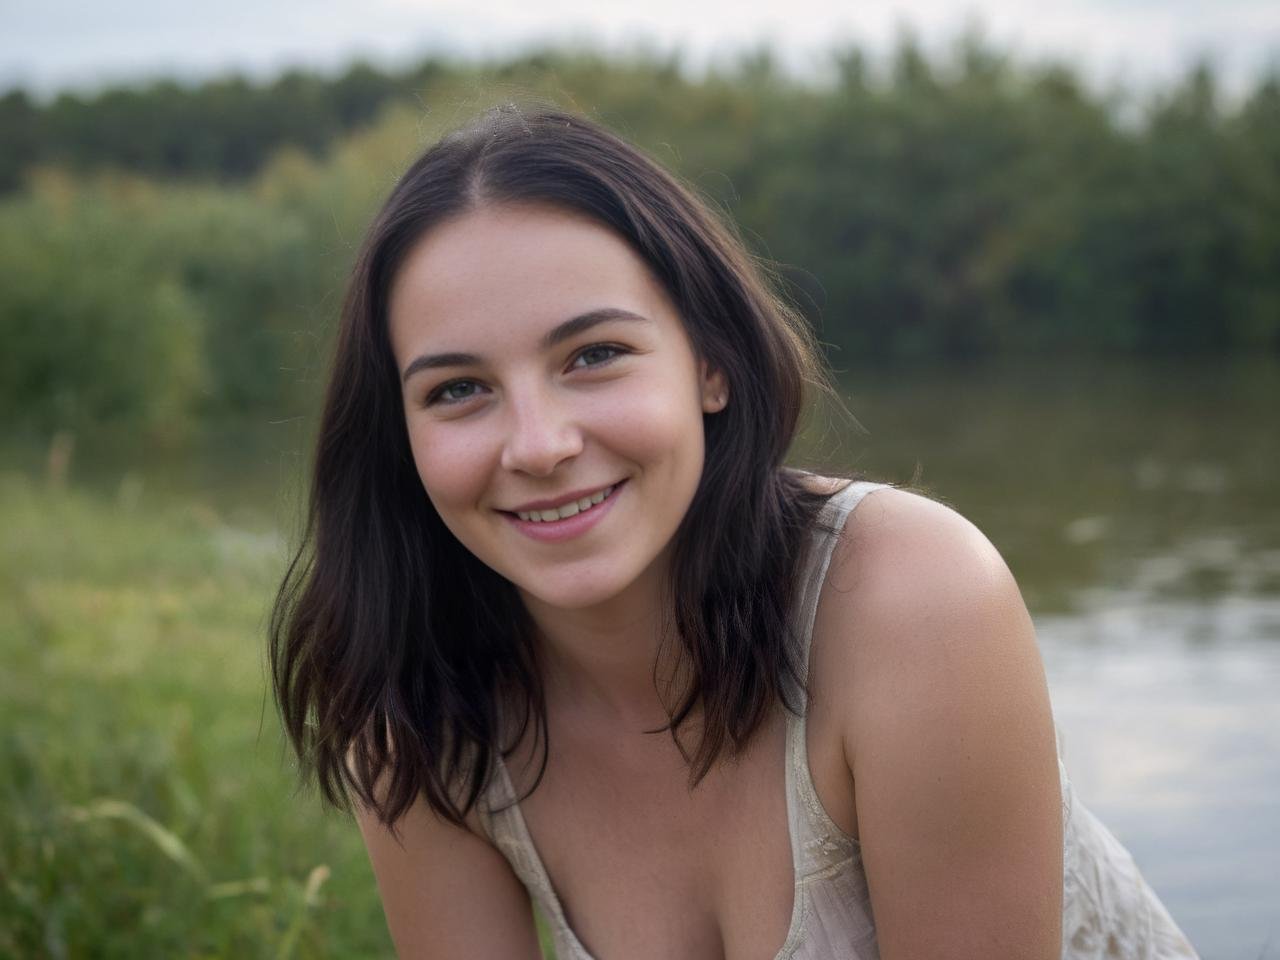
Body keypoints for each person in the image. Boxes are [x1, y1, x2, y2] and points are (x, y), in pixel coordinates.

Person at [270, 103, 1199, 959]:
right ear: (401, 434)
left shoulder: (912, 601)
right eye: (458, 390)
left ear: (710, 364)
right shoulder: (417, 706)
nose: (540, 446)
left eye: (595, 355)